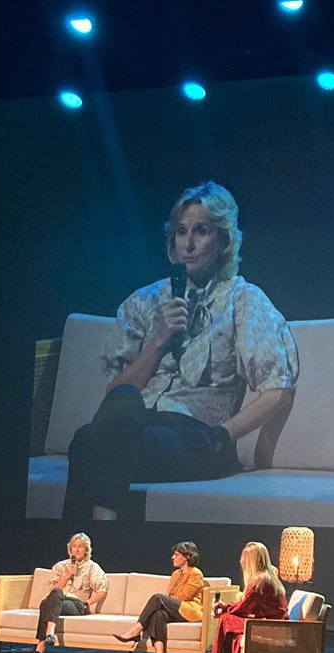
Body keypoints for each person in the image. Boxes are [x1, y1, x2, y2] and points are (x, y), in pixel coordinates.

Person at [62, 181, 299, 522]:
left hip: (194, 436)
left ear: (223, 240)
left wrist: (222, 435)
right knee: (100, 429)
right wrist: (158, 340)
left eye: (200, 231)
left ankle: (86, 549)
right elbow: (115, 394)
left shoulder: (243, 299)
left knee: (88, 443)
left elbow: (278, 388)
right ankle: (104, 530)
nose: (187, 244)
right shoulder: (143, 302)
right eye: (180, 232)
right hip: (134, 426)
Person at [113, 541, 204, 653]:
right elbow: (170, 596)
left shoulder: (196, 573)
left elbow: (185, 596)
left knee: (158, 598)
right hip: (176, 609)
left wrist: (167, 601)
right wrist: (167, 602)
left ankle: (136, 630)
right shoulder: (175, 574)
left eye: (176, 554)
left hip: (189, 610)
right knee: (158, 614)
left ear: (187, 557)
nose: (173, 557)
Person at [209, 541, 287, 653]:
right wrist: (226, 608)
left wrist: (224, 610)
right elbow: (247, 605)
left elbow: (246, 607)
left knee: (226, 619)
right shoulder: (266, 578)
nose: (241, 561)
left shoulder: (261, 581)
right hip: (269, 621)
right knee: (227, 618)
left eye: (244, 558)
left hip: (270, 625)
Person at [31, 532, 108, 653]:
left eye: (80, 547)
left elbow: (102, 590)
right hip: (58, 602)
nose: (76, 550)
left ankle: (40, 647)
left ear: (86, 550)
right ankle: (48, 635)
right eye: (74, 546)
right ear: (70, 548)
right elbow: (52, 591)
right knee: (50, 599)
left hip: (77, 604)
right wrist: (66, 576)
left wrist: (86, 603)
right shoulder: (61, 566)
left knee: (46, 604)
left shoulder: (92, 567)